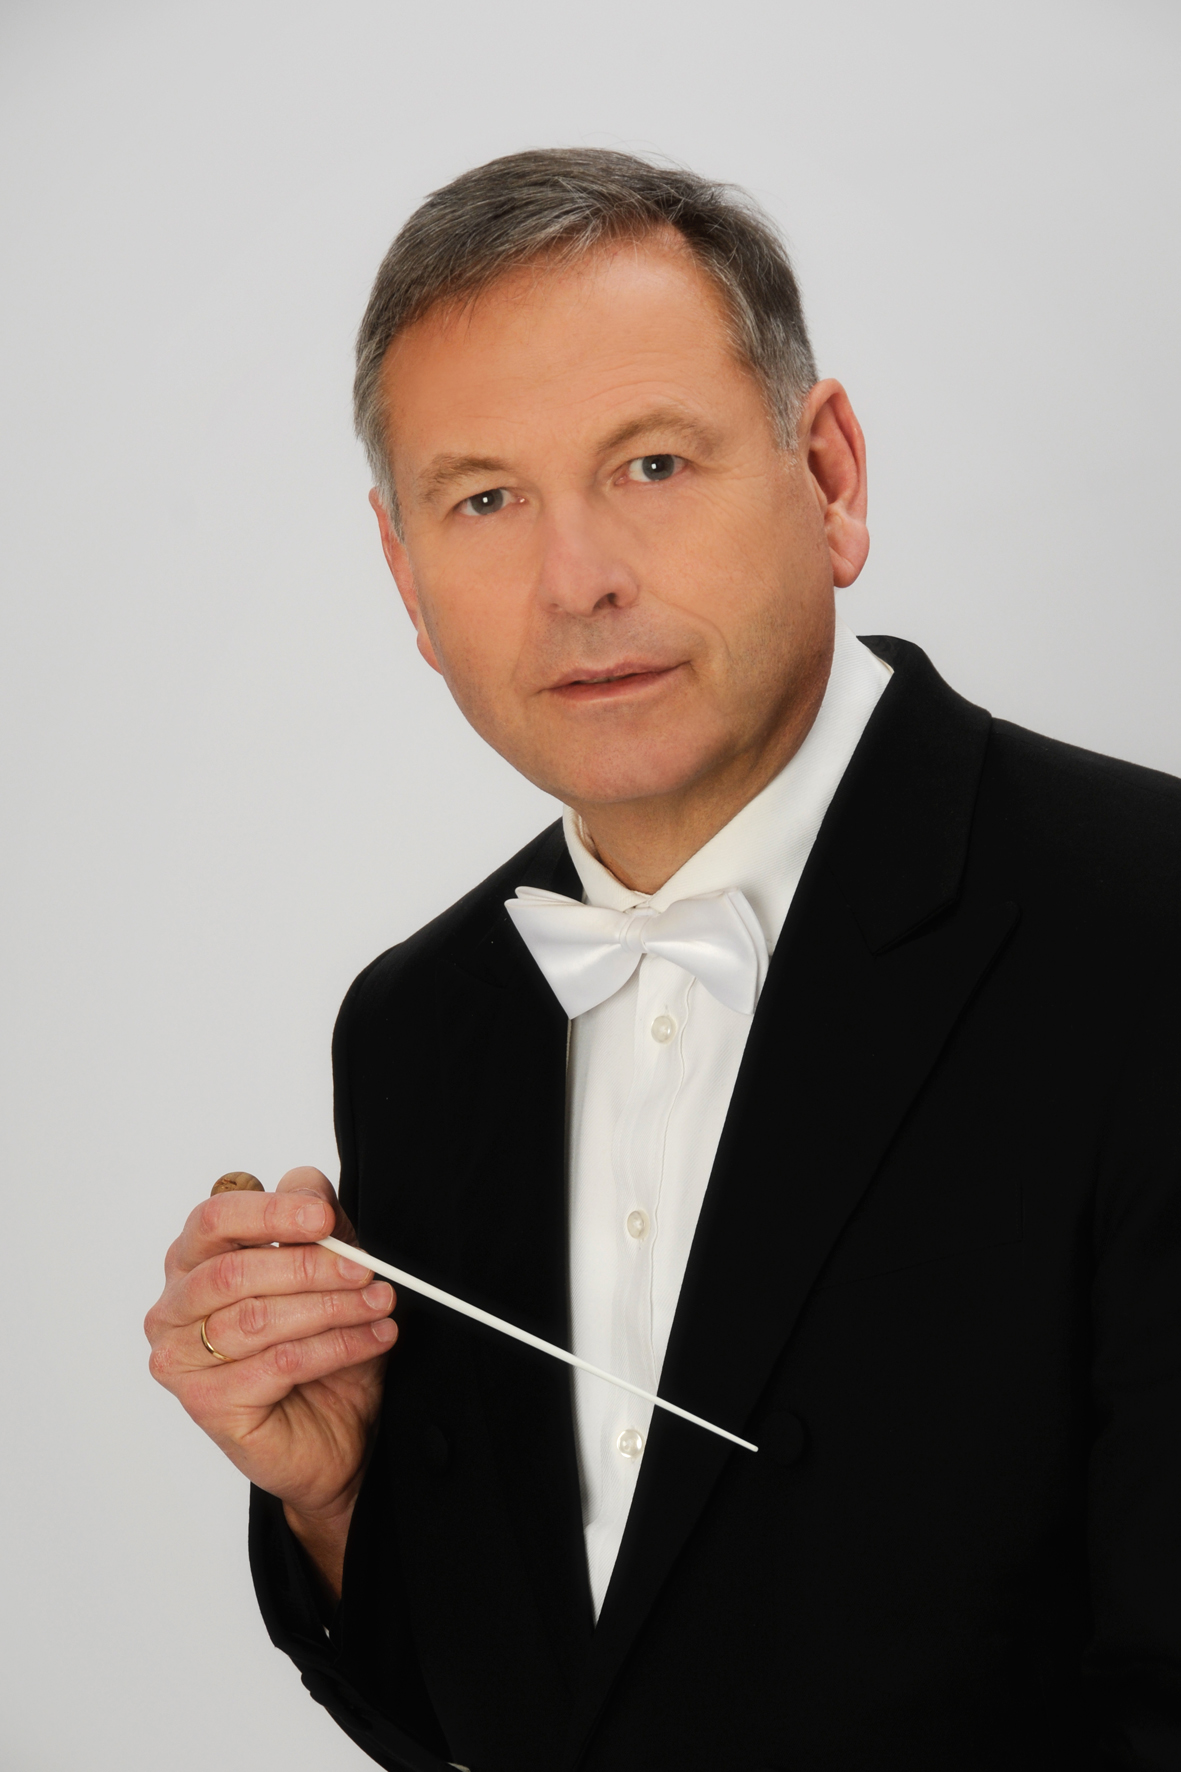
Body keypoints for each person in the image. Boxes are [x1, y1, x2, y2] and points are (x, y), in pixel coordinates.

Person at [144, 149, 1181, 1772]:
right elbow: (509, 1721)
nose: (577, 583)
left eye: (649, 463)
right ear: (406, 577)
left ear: (827, 474)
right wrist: (338, 1502)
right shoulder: (417, 1030)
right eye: (484, 500)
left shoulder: (1148, 924)